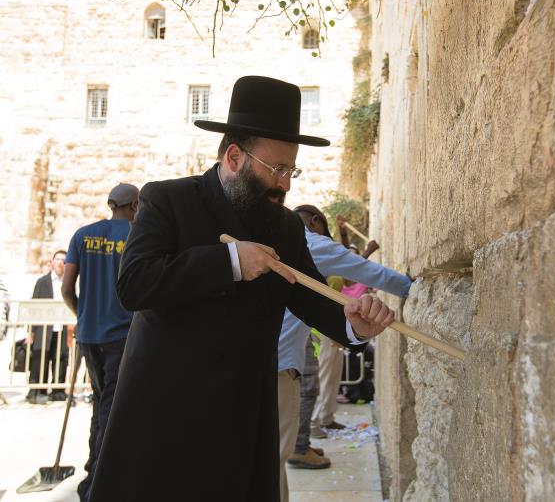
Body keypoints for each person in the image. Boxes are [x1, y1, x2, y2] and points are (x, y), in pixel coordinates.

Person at [87, 76, 395, 502]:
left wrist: (355, 324)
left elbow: (310, 297)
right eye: (278, 169)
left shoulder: (285, 226)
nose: (286, 184)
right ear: (234, 157)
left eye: (291, 170)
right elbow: (134, 284)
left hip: (243, 420)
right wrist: (230, 262)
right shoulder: (169, 200)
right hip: (166, 417)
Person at [280, 204, 410, 492]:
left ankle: (302, 443)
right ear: (315, 222)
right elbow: (368, 272)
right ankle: (301, 447)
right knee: (275, 460)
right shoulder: (312, 243)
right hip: (282, 359)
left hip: (282, 350)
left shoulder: (283, 241)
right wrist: (409, 287)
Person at [61, 183, 139, 502]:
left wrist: (84, 315)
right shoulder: (135, 236)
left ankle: (93, 468)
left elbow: (67, 288)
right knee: (112, 409)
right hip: (122, 335)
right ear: (134, 205)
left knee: (100, 402)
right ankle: (98, 483)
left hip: (89, 335)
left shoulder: (82, 235)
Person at [26, 250, 73, 404]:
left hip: (61, 327)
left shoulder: (69, 282)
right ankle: (36, 391)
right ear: (52, 262)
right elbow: (35, 306)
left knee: (60, 358)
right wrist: (31, 331)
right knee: (41, 358)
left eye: (64, 260)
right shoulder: (42, 282)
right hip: (44, 327)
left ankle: (58, 391)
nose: (60, 262)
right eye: (57, 259)